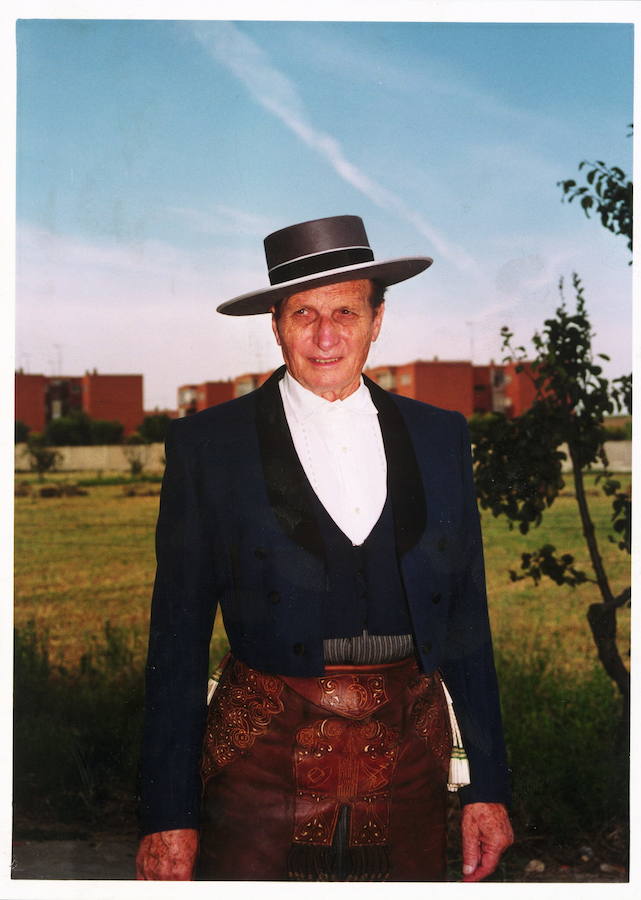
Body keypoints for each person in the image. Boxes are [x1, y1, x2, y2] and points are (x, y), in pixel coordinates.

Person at [136, 215, 513, 882]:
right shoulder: (209, 446)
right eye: (303, 312)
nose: (325, 334)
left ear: (378, 318)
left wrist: (486, 788)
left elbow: (465, 623)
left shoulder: (440, 437)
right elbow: (176, 639)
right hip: (257, 757)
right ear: (275, 322)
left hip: (411, 758)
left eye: (346, 310)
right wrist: (167, 815)